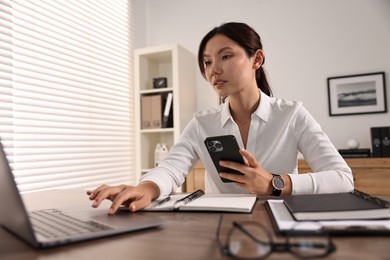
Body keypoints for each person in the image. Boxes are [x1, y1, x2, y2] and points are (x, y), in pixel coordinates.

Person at [87, 22, 353, 215]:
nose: (214, 69)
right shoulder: (202, 123)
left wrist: (275, 183)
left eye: (226, 56)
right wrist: (146, 187)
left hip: (279, 222)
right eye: (206, 62)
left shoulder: (293, 115)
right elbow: (171, 168)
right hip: (216, 227)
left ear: (256, 59)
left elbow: (343, 179)